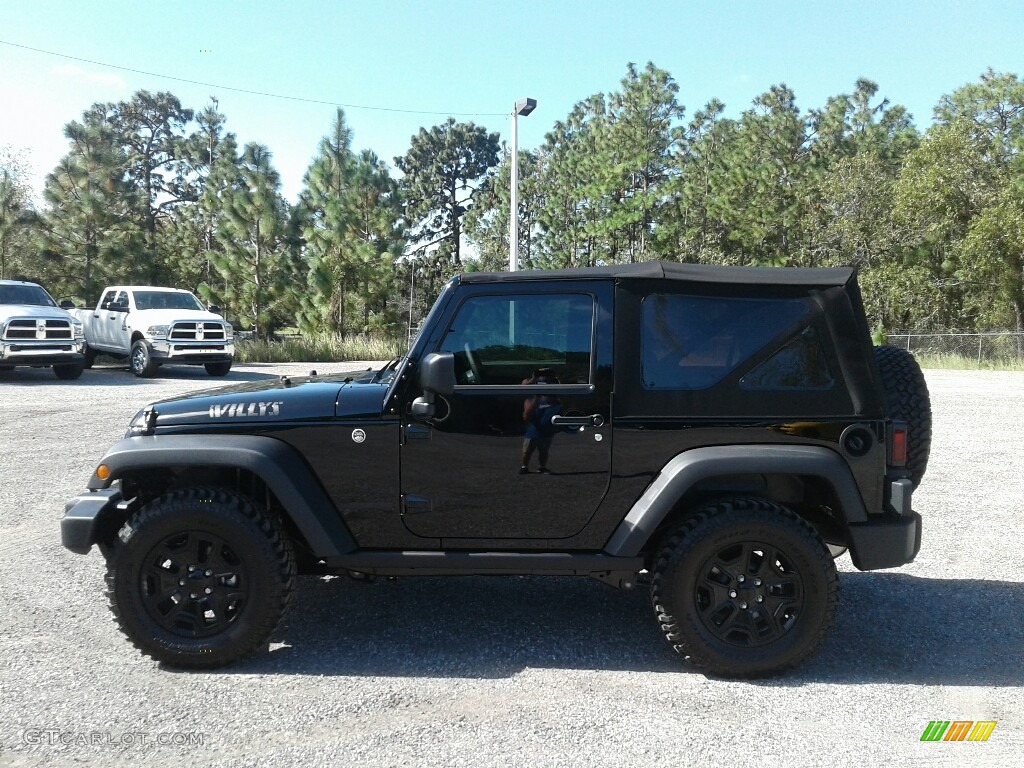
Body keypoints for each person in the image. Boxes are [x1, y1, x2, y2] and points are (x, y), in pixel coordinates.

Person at [519, 368, 562, 474]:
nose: (543, 375)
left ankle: (542, 466)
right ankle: (524, 466)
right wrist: (534, 378)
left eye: (546, 373)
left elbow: (559, 393)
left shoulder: (552, 384)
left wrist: (554, 377)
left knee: (544, 450)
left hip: (546, 424)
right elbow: (524, 387)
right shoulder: (530, 385)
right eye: (541, 372)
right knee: (528, 449)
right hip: (534, 425)